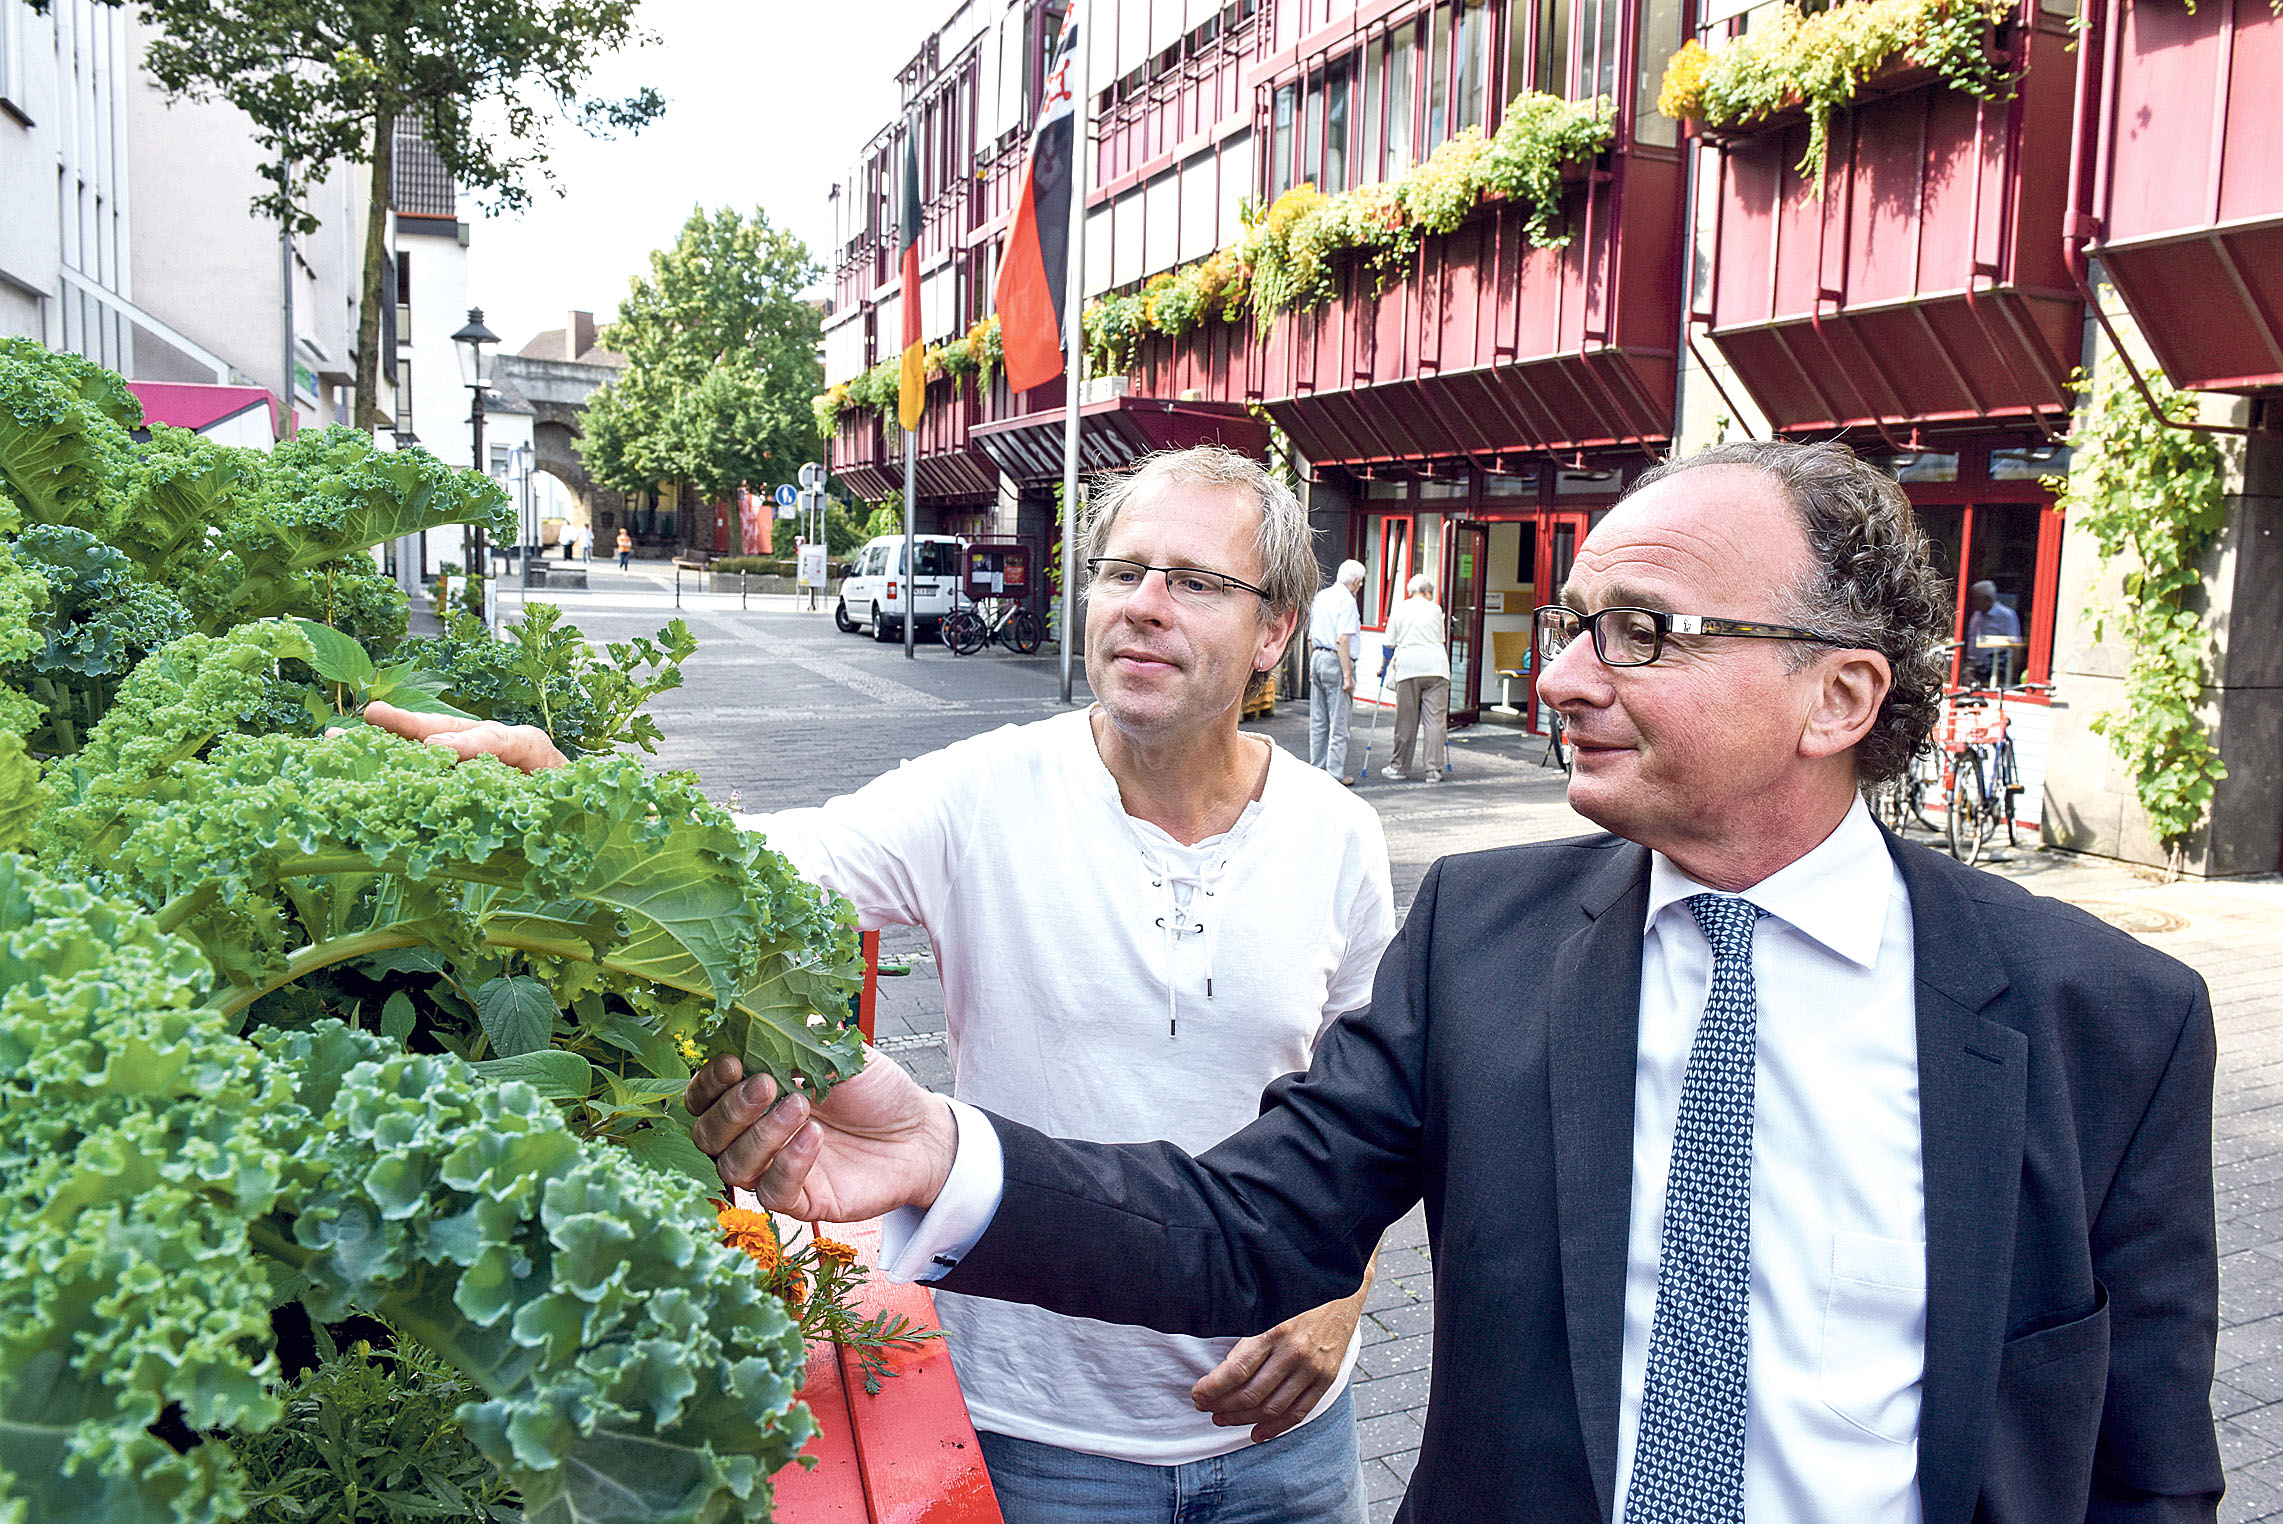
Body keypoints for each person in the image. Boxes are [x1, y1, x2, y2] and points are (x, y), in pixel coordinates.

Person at [689, 439, 2221, 1524]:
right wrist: (941, 1158)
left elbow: (2143, 1467)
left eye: (1644, 634)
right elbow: (1246, 1223)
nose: (1553, 682)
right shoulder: (1483, 936)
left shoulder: (2104, 1023)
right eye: (1572, 629)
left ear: (1835, 693)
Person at [371, 446, 1396, 1524]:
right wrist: (568, 802)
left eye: (1193, 581)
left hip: (1290, 1443)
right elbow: (750, 868)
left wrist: (1340, 1304)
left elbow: (1376, 1124)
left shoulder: (1339, 838)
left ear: (1276, 627)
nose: (1142, 605)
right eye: (1119, 570)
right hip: (1041, 1441)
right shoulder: (985, 794)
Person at [1381, 574, 1449, 784]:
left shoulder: (1400, 608)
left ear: (1412, 591)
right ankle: (1433, 770)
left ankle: (1399, 767)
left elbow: (1389, 643)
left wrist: (1382, 667)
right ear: (1428, 592)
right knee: (1435, 722)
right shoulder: (1436, 609)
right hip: (1437, 668)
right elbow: (1441, 638)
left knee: (1406, 721)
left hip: (1409, 667)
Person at [1306, 560, 1365, 783]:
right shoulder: (1347, 601)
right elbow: (1342, 640)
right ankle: (1334, 775)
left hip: (1318, 658)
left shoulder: (1322, 597)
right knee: (1339, 724)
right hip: (1335, 661)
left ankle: (1317, 771)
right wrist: (1348, 676)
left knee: (1319, 721)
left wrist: (1312, 666)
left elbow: (1310, 636)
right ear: (1356, 582)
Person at [1964, 579, 2022, 685]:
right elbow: (1972, 643)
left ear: (1987, 599)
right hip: (1975, 670)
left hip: (1996, 670)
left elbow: (2015, 646)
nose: (1973, 603)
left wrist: (2013, 675)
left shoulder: (2007, 615)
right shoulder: (1976, 616)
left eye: (1976, 599)